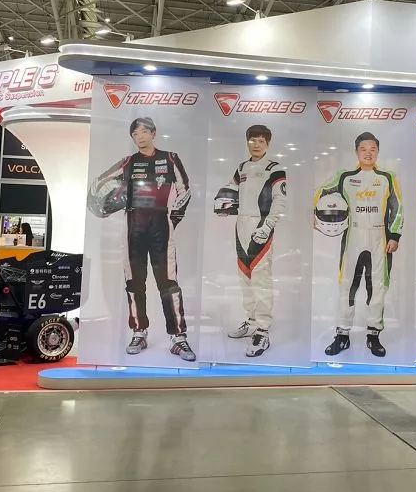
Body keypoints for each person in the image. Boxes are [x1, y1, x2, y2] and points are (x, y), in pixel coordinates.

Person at [87, 116, 196, 362]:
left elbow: (185, 190)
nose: (139, 137)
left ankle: (178, 337)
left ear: (153, 133)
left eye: (144, 132)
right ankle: (139, 332)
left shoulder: (170, 158)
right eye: (135, 134)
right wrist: (107, 201)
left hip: (160, 224)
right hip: (133, 225)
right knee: (134, 282)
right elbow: (99, 184)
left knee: (168, 282)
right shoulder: (128, 162)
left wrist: (173, 220)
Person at [314, 132, 403, 358]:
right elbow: (321, 192)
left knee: (378, 288)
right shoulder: (344, 176)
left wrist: (395, 235)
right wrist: (317, 215)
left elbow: (398, 207)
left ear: (378, 152)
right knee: (347, 287)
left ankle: (373, 335)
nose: (368, 153)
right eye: (364, 149)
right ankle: (342, 335)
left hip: (380, 239)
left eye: (373, 149)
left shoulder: (388, 177)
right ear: (356, 152)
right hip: (352, 237)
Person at [215, 125, 287, 358]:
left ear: (268, 144)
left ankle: (263, 331)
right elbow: (231, 189)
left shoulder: (275, 169)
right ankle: (251, 320)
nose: (256, 145)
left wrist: (267, 226)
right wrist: (223, 204)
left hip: (261, 225)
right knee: (245, 276)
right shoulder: (242, 167)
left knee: (261, 278)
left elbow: (280, 201)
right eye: (252, 140)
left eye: (261, 141)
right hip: (241, 226)